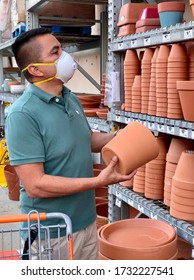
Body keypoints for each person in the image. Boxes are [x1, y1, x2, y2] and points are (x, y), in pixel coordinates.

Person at [5, 27, 136, 260]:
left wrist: (124, 136)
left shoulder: (70, 97)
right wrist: (97, 181)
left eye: (61, 49)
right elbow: (36, 184)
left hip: (86, 222)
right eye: (55, 53)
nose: (65, 57)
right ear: (34, 69)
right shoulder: (22, 114)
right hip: (50, 232)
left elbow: (87, 140)